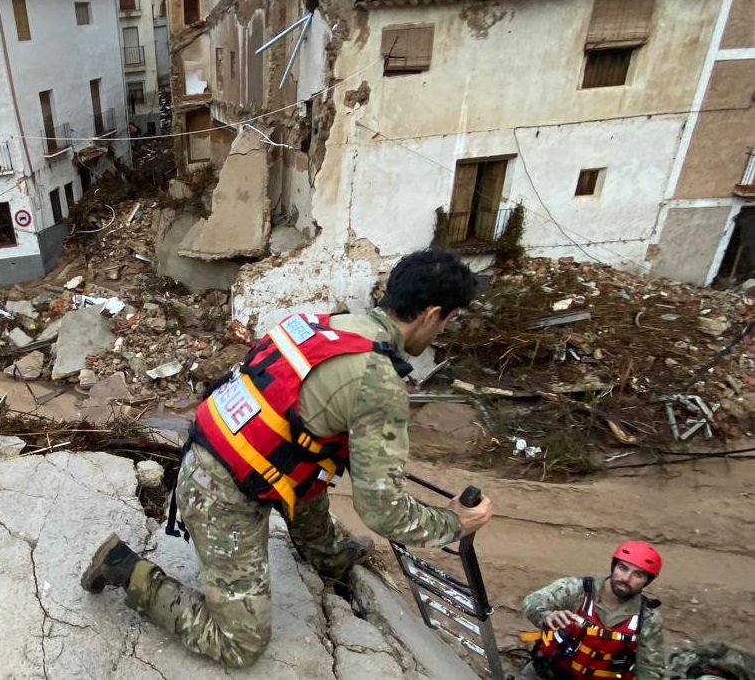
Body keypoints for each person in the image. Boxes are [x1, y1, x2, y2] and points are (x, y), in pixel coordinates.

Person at [82, 248, 494, 667]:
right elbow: (383, 512)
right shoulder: (378, 379)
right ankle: (125, 568)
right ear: (432, 314)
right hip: (221, 496)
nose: (443, 331)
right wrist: (452, 523)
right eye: (447, 321)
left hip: (217, 457)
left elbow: (304, 441)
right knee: (240, 644)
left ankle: (323, 552)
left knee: (314, 453)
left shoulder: (330, 325)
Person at [519, 541, 666, 680]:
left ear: (647, 581)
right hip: (548, 674)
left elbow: (650, 669)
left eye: (638, 575)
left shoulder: (648, 619)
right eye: (623, 568)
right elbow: (532, 601)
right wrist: (547, 616)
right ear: (613, 566)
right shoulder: (578, 590)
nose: (626, 578)